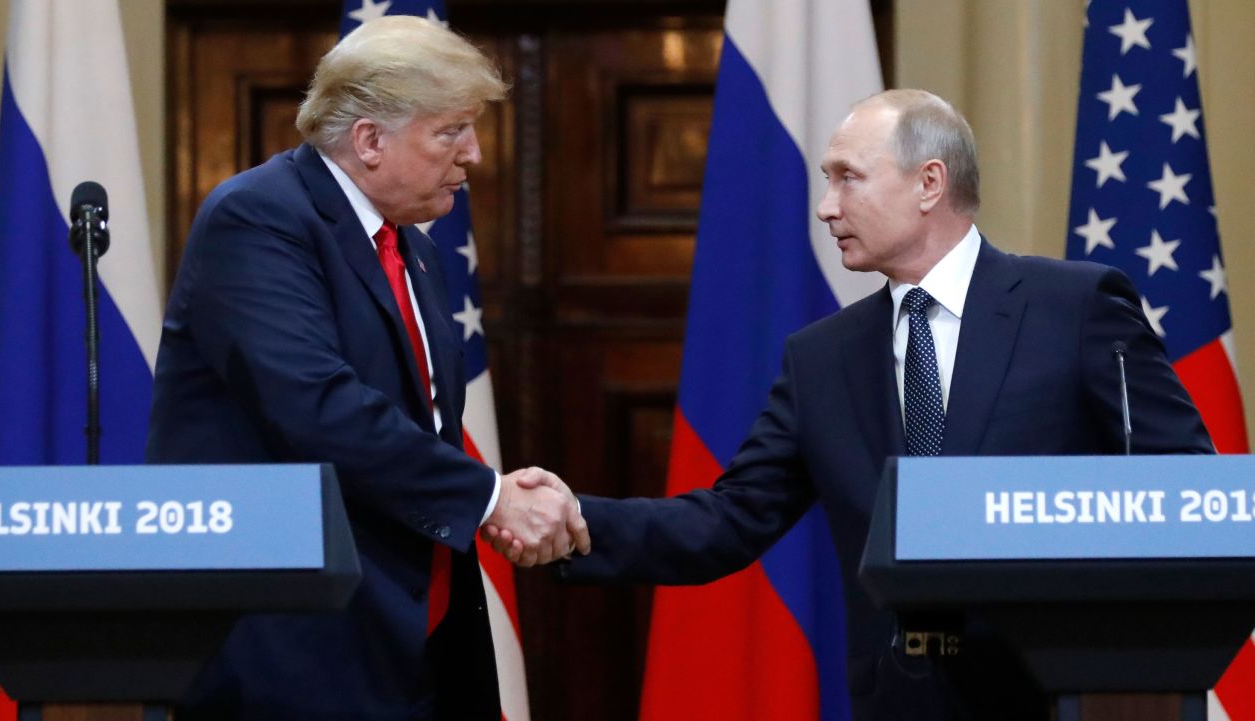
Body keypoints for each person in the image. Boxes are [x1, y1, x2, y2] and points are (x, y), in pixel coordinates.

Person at [485, 89, 1213, 720]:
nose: (827, 207)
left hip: (1063, 695)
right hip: (901, 700)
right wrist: (577, 521)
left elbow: (1183, 488)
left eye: (847, 179)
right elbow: (727, 520)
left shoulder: (1076, 307)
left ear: (930, 182)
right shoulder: (822, 357)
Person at [146, 16, 587, 721]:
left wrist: (487, 493)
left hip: (413, 640)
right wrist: (489, 497)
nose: (473, 152)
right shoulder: (258, 218)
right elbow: (315, 405)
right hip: (298, 654)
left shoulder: (411, 248)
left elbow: (423, 427)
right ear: (370, 139)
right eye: (451, 131)